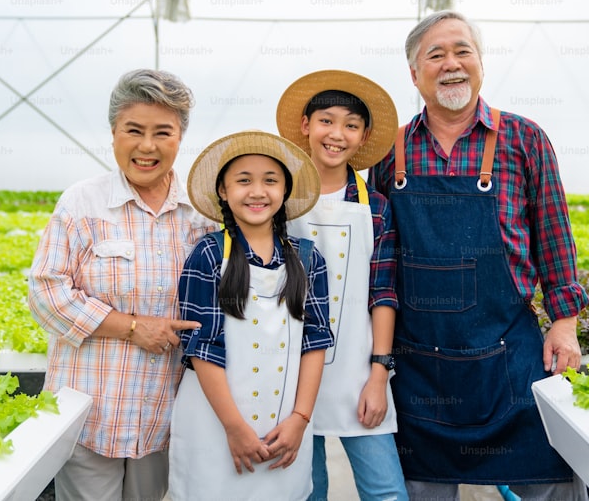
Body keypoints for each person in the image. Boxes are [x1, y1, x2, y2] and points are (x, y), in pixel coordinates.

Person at [367, 10, 589, 501]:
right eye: (436, 54)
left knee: (549, 477)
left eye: (462, 50)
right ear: (414, 73)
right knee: (422, 486)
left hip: (508, 352)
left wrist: (565, 321)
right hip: (421, 362)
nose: (452, 64)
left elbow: (554, 235)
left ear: (481, 64)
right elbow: (376, 257)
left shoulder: (524, 139)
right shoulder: (388, 151)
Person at [27, 69, 215, 501]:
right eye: (134, 130)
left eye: (162, 132)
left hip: (164, 411)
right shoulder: (83, 202)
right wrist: (133, 327)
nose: (147, 146)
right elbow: (46, 293)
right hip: (91, 409)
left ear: (179, 138)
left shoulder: (200, 212)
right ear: (113, 133)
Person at [169, 130, 334, 501]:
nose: (257, 192)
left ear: (285, 191)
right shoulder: (208, 255)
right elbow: (202, 349)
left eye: (270, 181)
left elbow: (316, 342)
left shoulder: (309, 259)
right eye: (243, 180)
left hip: (285, 426)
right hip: (216, 424)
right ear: (224, 191)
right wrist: (234, 427)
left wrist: (300, 420)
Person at [276, 70, 409, 501]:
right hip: (286, 374)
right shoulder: (279, 200)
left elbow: (383, 293)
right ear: (306, 126)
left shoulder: (377, 208)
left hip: (356, 372)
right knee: (304, 490)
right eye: (327, 121)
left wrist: (378, 374)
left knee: (386, 491)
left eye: (351, 125)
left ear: (363, 135)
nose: (337, 134)